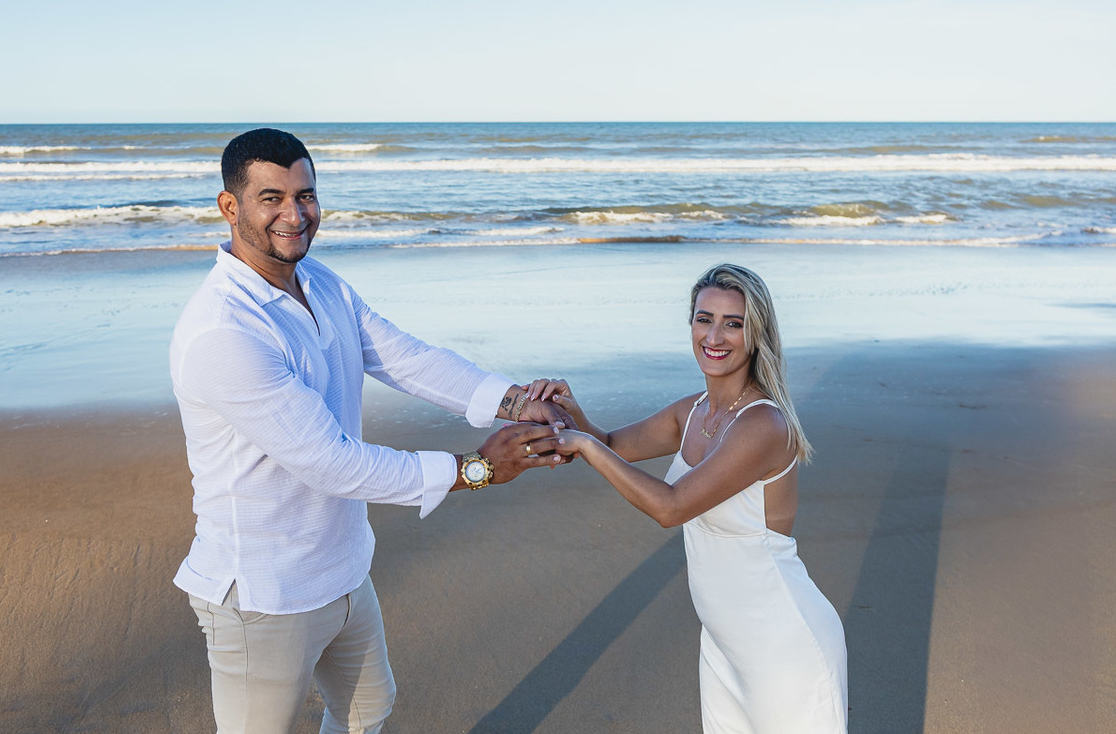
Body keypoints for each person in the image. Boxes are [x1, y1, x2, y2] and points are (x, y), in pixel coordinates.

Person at [169, 128, 570, 734]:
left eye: (305, 195)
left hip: (344, 567)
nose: (294, 214)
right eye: (271, 198)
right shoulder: (224, 331)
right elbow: (331, 463)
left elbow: (404, 357)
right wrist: (476, 470)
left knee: (365, 713)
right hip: (265, 594)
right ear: (231, 208)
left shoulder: (322, 283)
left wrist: (512, 400)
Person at [531, 264, 847, 733]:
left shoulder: (764, 425)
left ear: (756, 334)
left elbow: (671, 507)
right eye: (704, 319)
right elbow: (612, 444)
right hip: (723, 642)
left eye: (733, 323)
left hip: (783, 645)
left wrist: (584, 446)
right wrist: (574, 414)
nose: (714, 336)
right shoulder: (693, 411)